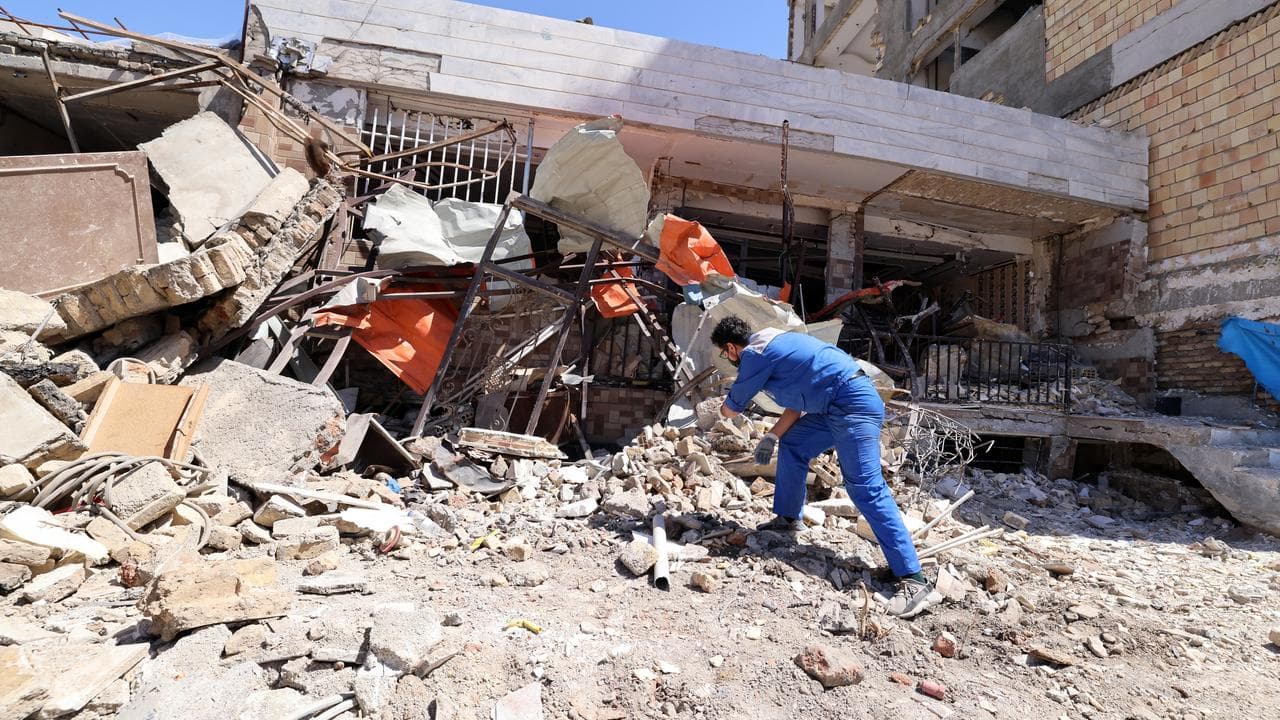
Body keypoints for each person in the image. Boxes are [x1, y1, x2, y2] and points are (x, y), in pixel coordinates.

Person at [710, 315, 941, 618]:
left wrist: (724, 404)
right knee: (794, 445)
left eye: (725, 354)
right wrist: (772, 436)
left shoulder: (755, 353)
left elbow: (731, 409)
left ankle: (914, 580)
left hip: (851, 405)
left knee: (865, 489)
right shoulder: (777, 343)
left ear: (731, 347)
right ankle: (788, 518)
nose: (728, 359)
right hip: (838, 404)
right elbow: (798, 403)